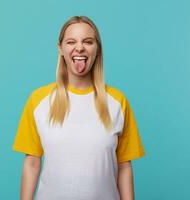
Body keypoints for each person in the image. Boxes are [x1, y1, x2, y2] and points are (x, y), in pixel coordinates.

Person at [13, 15, 145, 200]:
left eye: (88, 41)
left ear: (97, 49)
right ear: (61, 49)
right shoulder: (38, 101)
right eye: (71, 41)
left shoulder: (117, 102)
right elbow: (32, 162)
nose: (80, 47)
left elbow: (124, 166)